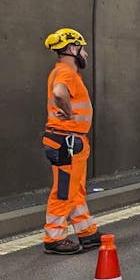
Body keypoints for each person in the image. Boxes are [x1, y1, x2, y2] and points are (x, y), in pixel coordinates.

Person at [41, 28, 101, 255]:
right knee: (64, 190)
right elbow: (59, 92)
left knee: (75, 189)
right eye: (82, 49)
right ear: (72, 49)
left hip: (69, 140)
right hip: (67, 140)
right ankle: (54, 238)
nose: (85, 54)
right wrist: (67, 111)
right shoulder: (66, 72)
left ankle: (87, 233)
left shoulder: (63, 71)